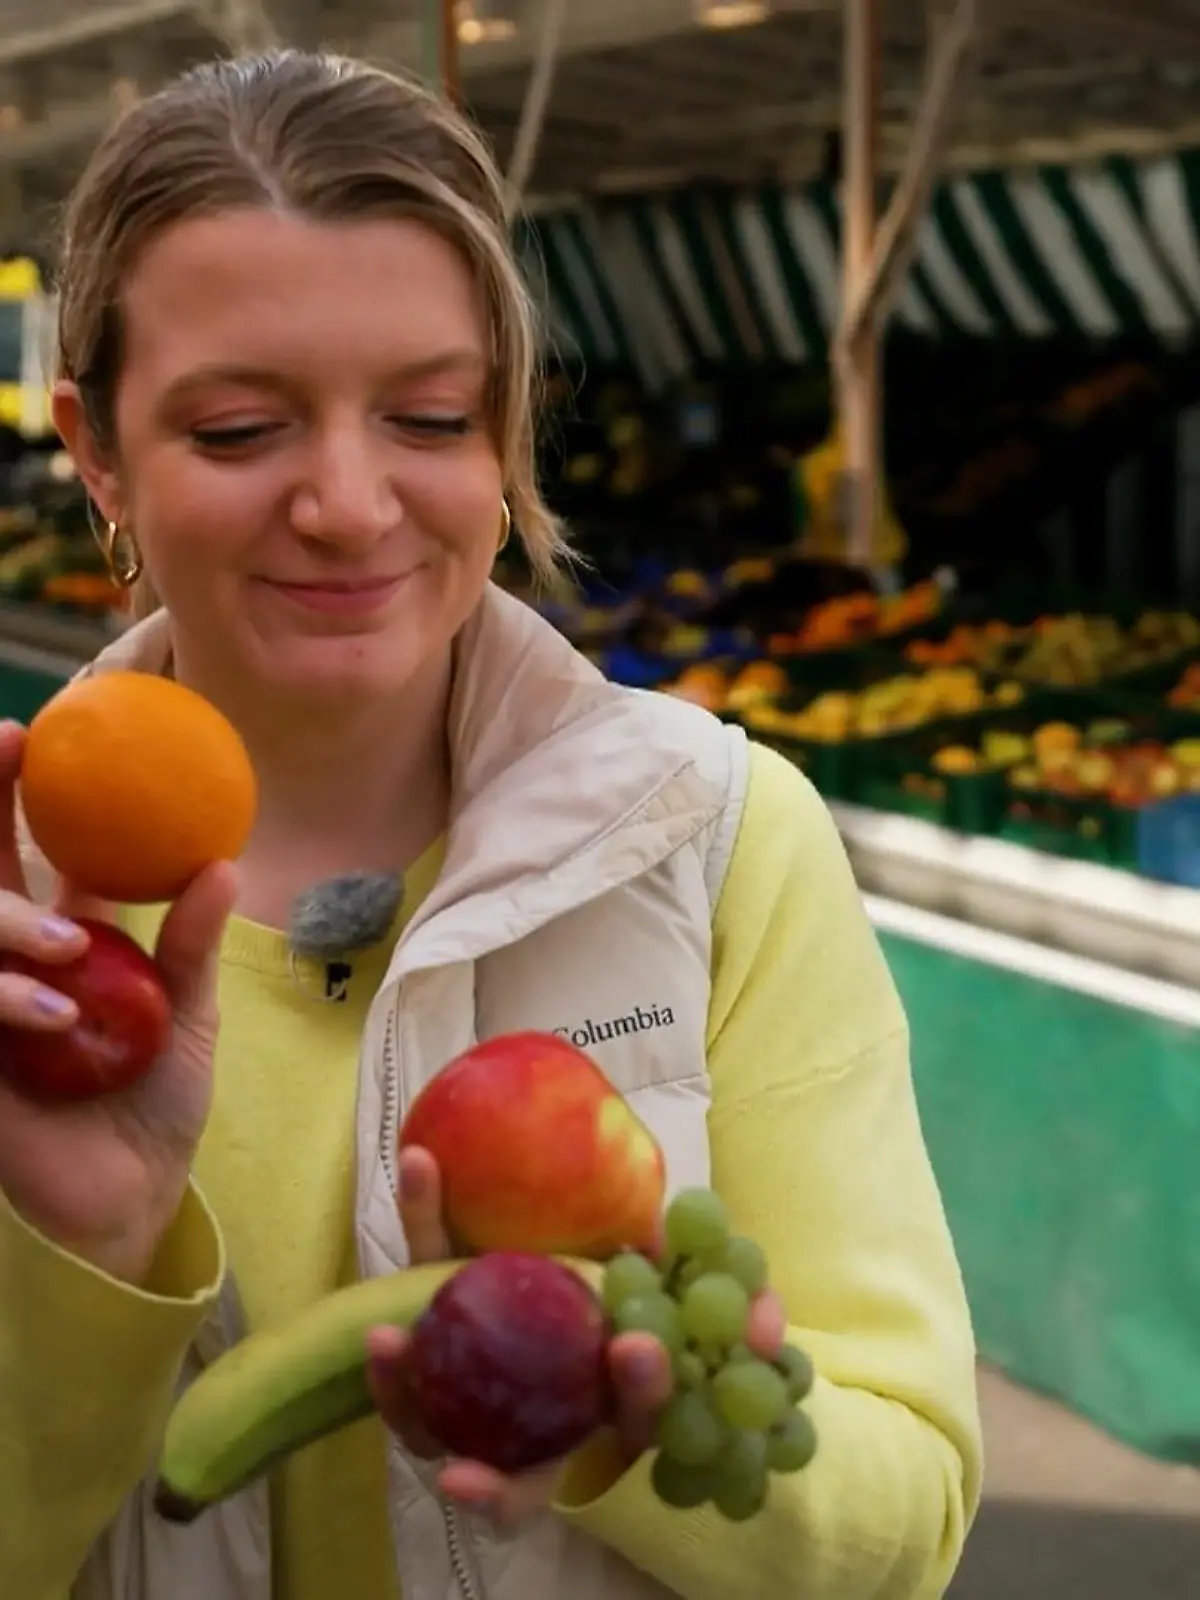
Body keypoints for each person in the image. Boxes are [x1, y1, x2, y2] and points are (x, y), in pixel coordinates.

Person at [0, 48, 982, 1600]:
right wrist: (82, 1260)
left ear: (511, 428)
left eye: (430, 416)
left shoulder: (714, 843)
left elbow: (909, 1509)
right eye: (241, 429)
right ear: (97, 449)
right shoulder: (21, 943)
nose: (346, 500)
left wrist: (621, 1427)